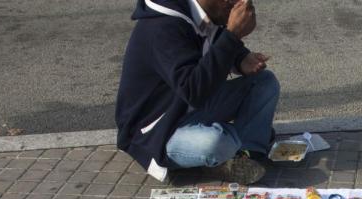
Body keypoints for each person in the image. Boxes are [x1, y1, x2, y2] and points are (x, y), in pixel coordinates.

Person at [115, 0, 279, 184]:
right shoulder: (162, 27)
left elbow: (213, 36)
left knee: (264, 83)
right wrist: (232, 36)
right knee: (216, 143)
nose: (238, 4)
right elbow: (194, 90)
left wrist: (240, 58)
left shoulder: (199, 12)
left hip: (189, 106)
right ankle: (237, 144)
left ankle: (248, 153)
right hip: (158, 129)